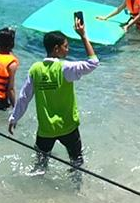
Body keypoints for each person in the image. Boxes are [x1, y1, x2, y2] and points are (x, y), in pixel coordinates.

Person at [8, 13, 97, 172]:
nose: (67, 49)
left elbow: (24, 97)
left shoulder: (35, 69)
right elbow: (93, 62)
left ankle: (37, 192)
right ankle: (76, 190)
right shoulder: (65, 68)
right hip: (68, 128)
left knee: (40, 166)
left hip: (45, 130)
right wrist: (83, 35)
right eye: (66, 46)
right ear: (56, 49)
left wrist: (14, 118)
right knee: (76, 164)